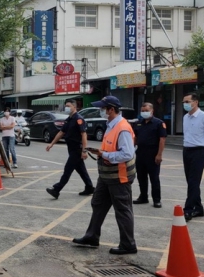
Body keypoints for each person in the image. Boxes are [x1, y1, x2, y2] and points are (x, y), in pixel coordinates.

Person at [73, 96, 138, 255]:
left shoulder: (122, 127)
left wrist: (106, 155)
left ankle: (128, 244)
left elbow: (128, 154)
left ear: (111, 109)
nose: (101, 111)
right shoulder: (111, 125)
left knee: (122, 210)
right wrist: (102, 153)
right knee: (98, 204)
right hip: (107, 176)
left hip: (119, 177)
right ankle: (92, 237)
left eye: (103, 108)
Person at [45, 98, 94, 199]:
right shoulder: (69, 119)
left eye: (69, 106)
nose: (67, 108)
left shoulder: (79, 119)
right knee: (81, 170)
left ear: (74, 107)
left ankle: (56, 190)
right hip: (71, 149)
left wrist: (84, 151)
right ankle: (89, 187)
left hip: (77, 149)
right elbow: (61, 132)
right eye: (66, 106)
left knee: (67, 170)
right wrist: (51, 144)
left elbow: (84, 135)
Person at [181, 92, 204, 222]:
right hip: (187, 150)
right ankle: (199, 208)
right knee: (190, 181)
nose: (185, 104)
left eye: (187, 102)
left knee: (193, 182)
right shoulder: (185, 117)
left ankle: (188, 209)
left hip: (199, 151)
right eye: (184, 102)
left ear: (195, 102)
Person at [132, 102, 167, 208]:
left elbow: (162, 139)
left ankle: (157, 200)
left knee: (154, 178)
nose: (144, 112)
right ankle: (143, 197)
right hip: (141, 153)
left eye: (146, 111)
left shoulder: (159, 123)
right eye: (142, 111)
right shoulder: (138, 123)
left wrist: (159, 154)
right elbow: (135, 138)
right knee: (141, 177)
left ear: (152, 111)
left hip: (153, 153)